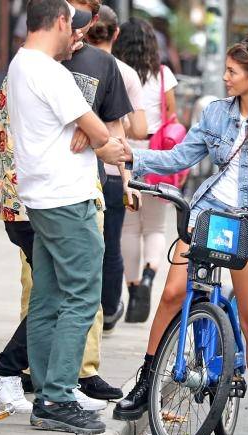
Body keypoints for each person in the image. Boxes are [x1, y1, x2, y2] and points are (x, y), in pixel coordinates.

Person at [114, 37, 248, 435]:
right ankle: (145, 386)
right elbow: (182, 157)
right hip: (208, 214)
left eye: (232, 72)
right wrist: (135, 158)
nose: (225, 77)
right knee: (172, 295)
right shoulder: (216, 114)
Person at [6, 0, 125, 434]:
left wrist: (96, 136)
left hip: (39, 197)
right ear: (58, 20)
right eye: (72, 25)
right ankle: (56, 396)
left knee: (47, 296)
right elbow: (98, 130)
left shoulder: (22, 64)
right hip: (67, 199)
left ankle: (45, 395)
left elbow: (89, 128)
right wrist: (104, 142)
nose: (75, 33)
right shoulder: (49, 71)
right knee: (81, 295)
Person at [61, 0, 135, 400]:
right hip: (38, 193)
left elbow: (114, 128)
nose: (77, 21)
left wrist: (126, 179)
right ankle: (26, 370)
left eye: (86, 12)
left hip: (87, 186)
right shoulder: (37, 65)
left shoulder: (103, 66)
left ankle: (85, 370)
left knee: (87, 282)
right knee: (37, 285)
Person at [86, 5, 147, 332]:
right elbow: (137, 128)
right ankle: (108, 311)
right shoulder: (125, 72)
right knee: (111, 244)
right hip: (112, 171)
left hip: (83, 169)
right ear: (116, 34)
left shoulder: (71, 64)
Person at [112, 18, 178, 324]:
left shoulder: (116, 72)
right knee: (155, 227)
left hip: (122, 151)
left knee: (128, 228)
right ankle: (151, 275)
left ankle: (133, 286)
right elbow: (173, 115)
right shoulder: (163, 75)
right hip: (156, 155)